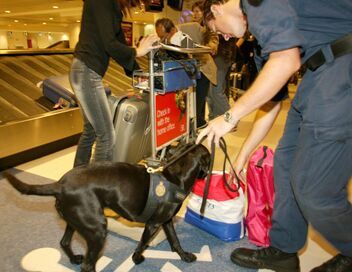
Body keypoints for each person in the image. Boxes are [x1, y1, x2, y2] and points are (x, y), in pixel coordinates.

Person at [197, 0, 352, 271]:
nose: (224, 37)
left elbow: (286, 61)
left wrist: (229, 116)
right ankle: (284, 249)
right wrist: (242, 155)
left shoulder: (257, 2)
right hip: (316, 76)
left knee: (315, 190)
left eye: (217, 30)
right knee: (285, 161)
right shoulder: (259, 36)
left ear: (218, 8)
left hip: (342, 70)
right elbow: (270, 104)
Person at [70, 0, 159, 167]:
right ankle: (96, 185)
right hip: (86, 72)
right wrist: (138, 51)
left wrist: (139, 75)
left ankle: (78, 178)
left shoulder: (113, 7)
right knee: (106, 135)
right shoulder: (103, 3)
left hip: (85, 71)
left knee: (91, 131)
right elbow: (109, 44)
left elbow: (119, 46)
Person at [155, 17, 218, 128]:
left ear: (173, 30)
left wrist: (212, 45)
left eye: (165, 36)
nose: (163, 40)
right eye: (161, 37)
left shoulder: (192, 27)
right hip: (188, 72)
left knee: (197, 103)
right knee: (193, 105)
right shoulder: (166, 42)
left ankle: (196, 128)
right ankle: (197, 126)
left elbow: (211, 34)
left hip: (204, 68)